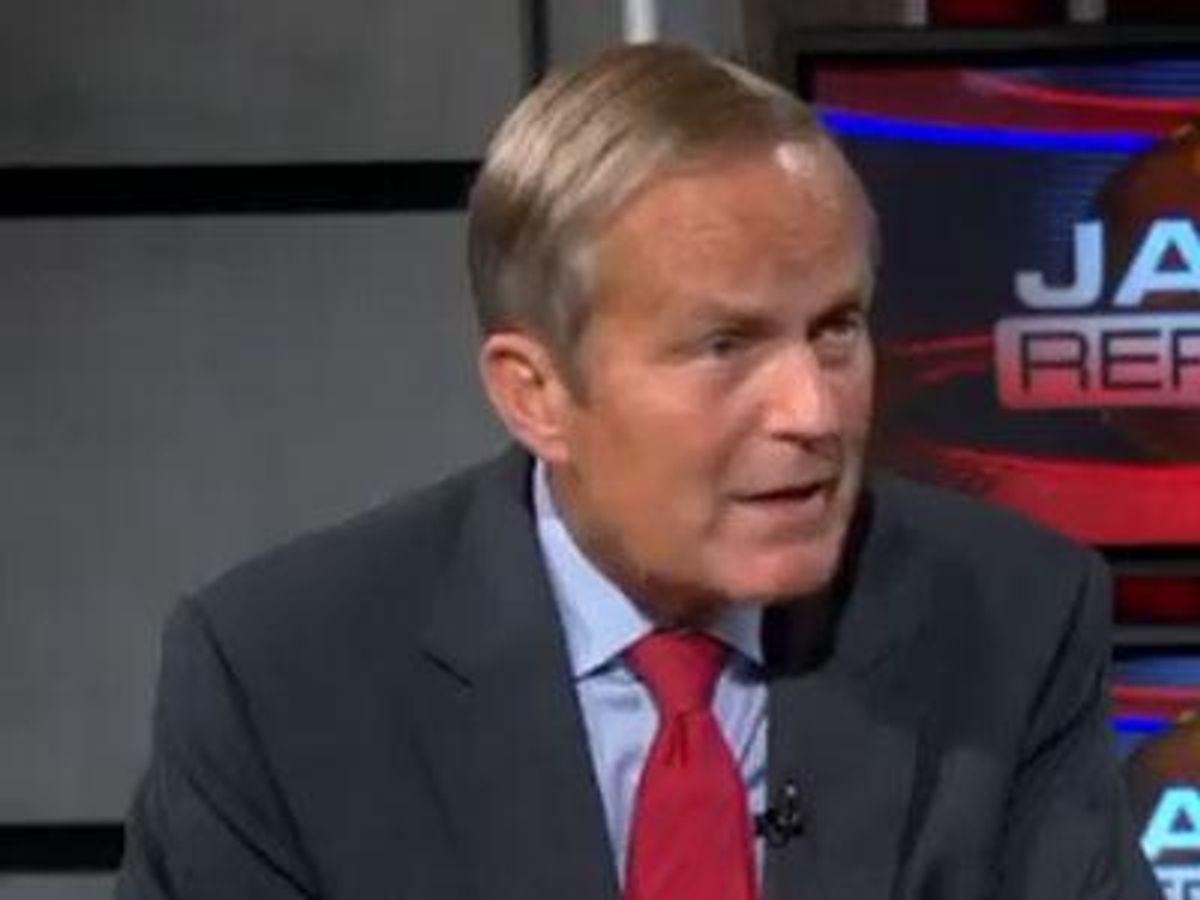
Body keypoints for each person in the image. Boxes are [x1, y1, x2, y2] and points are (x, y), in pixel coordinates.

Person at [115, 42, 1157, 899]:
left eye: (836, 328)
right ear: (535, 393)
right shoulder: (284, 678)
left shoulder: (1008, 620)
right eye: (725, 346)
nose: (814, 412)